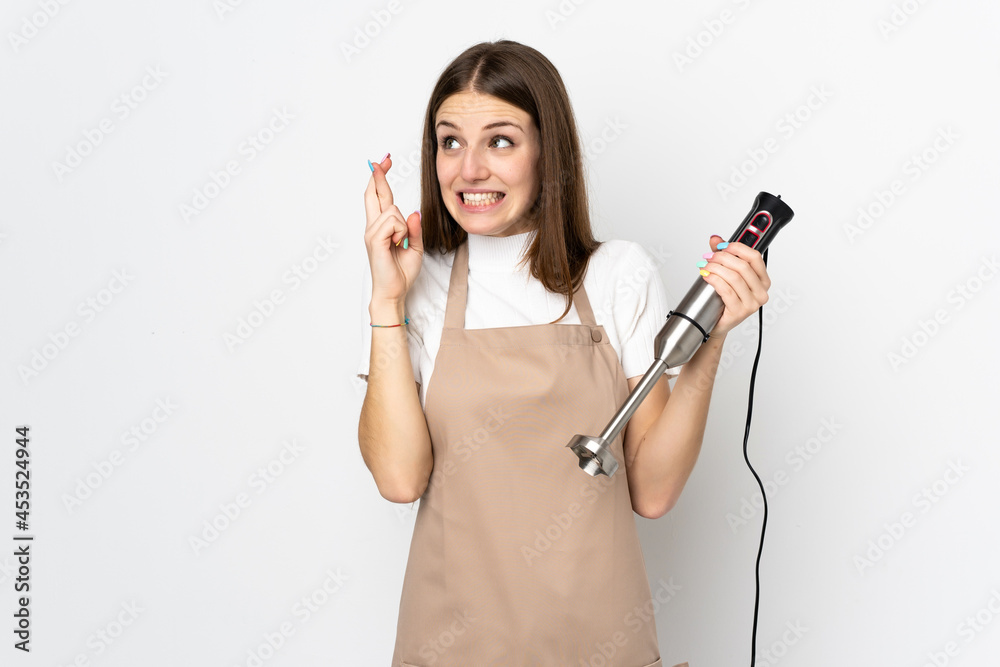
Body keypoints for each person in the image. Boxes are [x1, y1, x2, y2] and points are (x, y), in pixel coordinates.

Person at [357, 40, 771, 667]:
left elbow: (653, 491)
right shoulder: (421, 280)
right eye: (449, 141)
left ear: (547, 152)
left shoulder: (617, 274)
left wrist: (709, 342)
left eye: (500, 140)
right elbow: (398, 478)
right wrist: (386, 304)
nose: (469, 169)